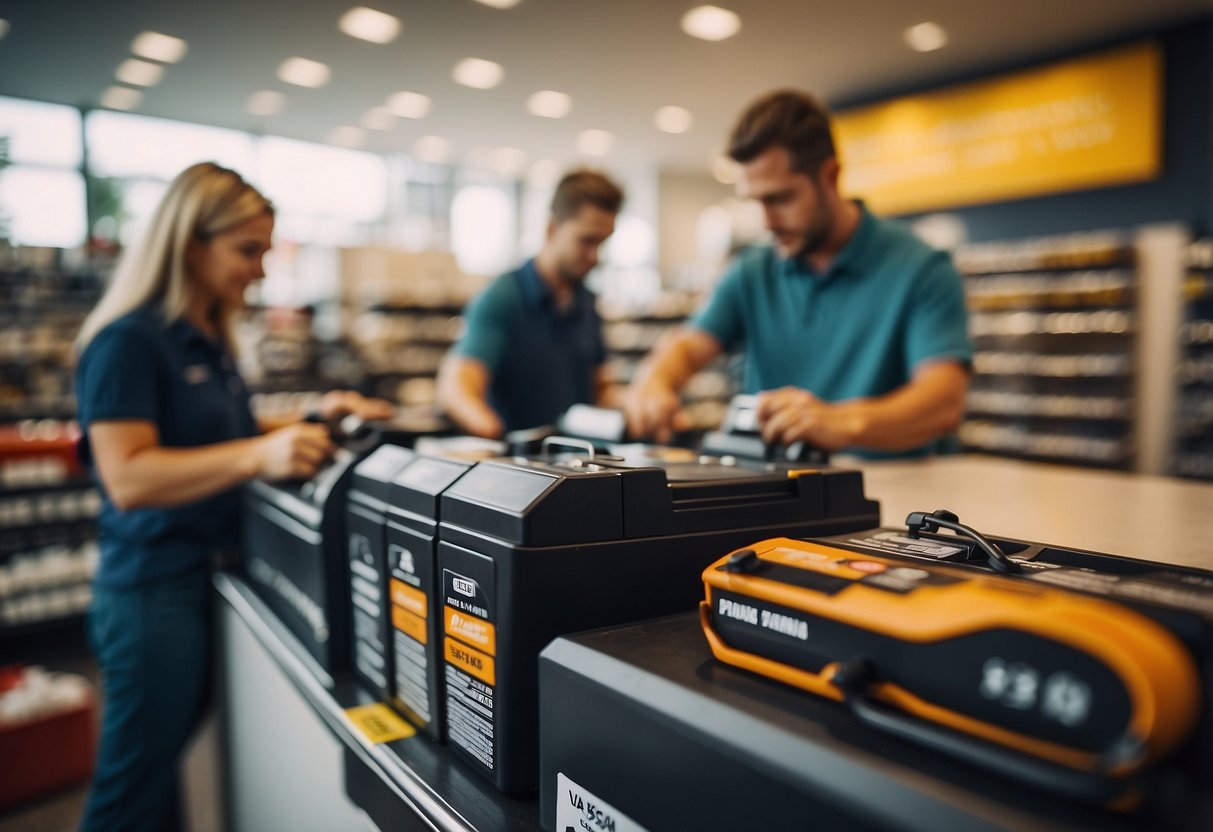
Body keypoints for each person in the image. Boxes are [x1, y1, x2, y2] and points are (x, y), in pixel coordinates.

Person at [72, 162, 392, 831]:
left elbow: (228, 432)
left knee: (160, 782)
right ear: (190, 241)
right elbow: (127, 476)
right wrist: (256, 455)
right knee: (131, 790)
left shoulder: (210, 338)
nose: (261, 269)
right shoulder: (127, 342)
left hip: (203, 580)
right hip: (151, 593)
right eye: (248, 250)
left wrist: (312, 419)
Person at [624, 90, 972, 457]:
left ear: (831, 176)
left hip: (897, 494)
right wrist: (653, 382)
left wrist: (839, 421)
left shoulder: (921, 267)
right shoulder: (752, 271)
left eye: (780, 199)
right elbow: (688, 345)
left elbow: (943, 401)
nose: (765, 222)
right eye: (755, 201)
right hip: (782, 487)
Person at [437, 170, 624, 437]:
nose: (595, 256)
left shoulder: (586, 302)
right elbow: (456, 385)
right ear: (552, 229)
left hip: (580, 465)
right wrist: (491, 432)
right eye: (587, 241)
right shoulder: (502, 297)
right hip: (521, 467)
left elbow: (601, 387)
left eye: (603, 243)